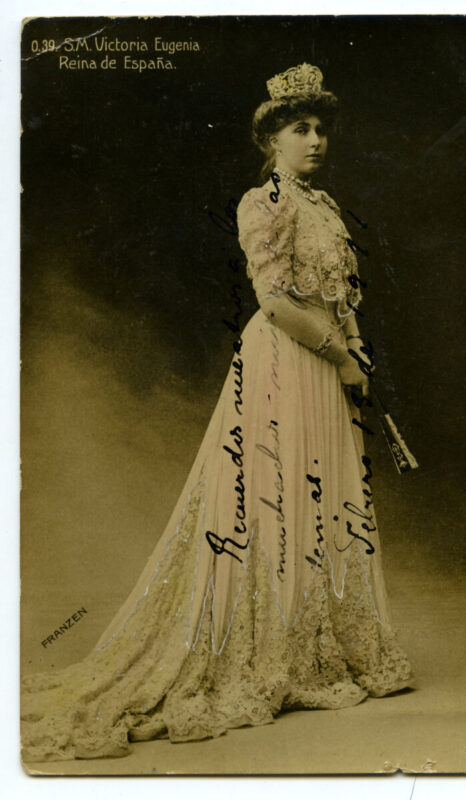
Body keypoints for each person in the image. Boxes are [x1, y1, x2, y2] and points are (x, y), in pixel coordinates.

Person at [21, 63, 412, 763]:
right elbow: (275, 301)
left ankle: (313, 643)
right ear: (270, 140)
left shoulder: (324, 206)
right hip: (285, 362)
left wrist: (355, 347)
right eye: (300, 129)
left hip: (326, 365)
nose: (315, 140)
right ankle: (264, 647)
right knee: (271, 498)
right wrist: (339, 353)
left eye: (321, 128)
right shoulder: (263, 202)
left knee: (320, 500)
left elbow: (338, 293)